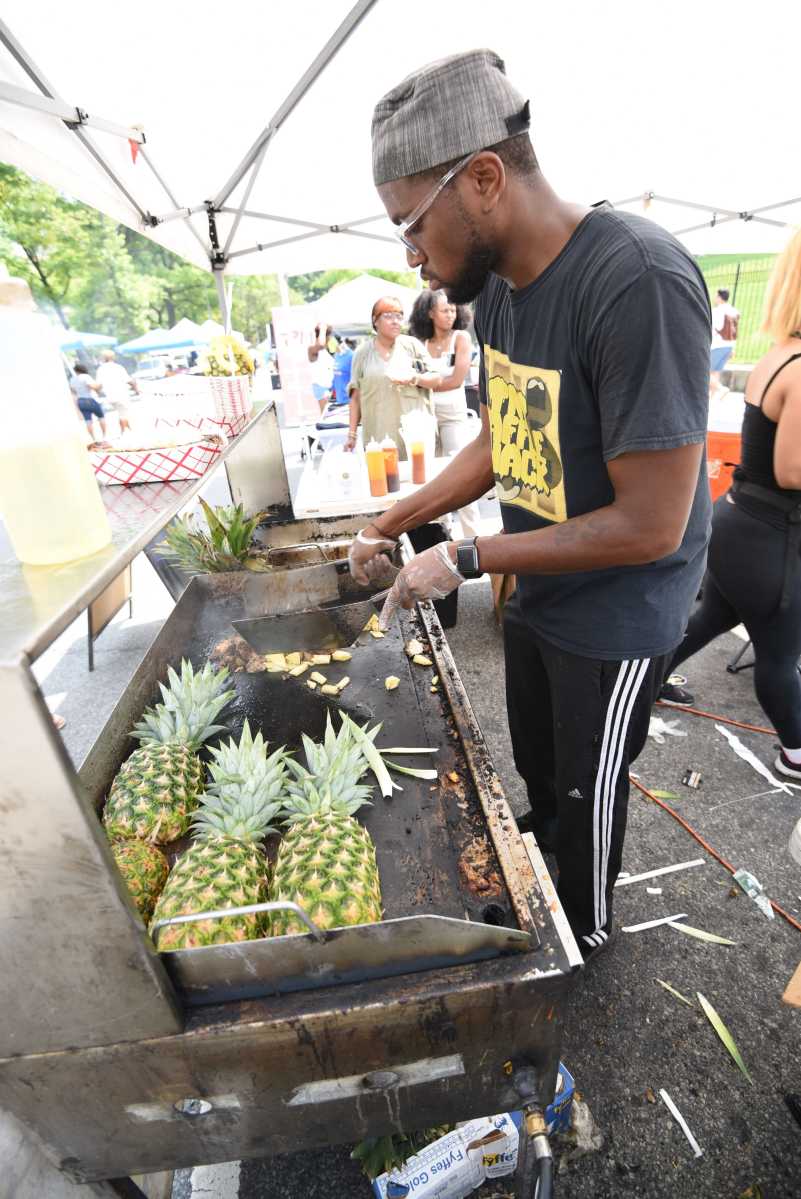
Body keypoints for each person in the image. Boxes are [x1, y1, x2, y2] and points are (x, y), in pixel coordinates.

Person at [349, 50, 711, 959]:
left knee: (587, 795)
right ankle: (542, 863)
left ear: (481, 179)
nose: (411, 259)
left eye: (411, 226)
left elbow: (650, 523)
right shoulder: (501, 293)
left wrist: (468, 557)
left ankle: (577, 941)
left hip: (618, 614)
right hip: (540, 592)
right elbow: (501, 442)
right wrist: (392, 522)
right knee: (540, 773)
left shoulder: (637, 281)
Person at [661, 228, 801, 779]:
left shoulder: (781, 354)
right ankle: (795, 750)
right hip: (770, 535)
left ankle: (642, 685)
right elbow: (792, 470)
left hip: (744, 526)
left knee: (712, 617)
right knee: (780, 655)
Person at [410, 288, 482, 538]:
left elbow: (457, 380)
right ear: (430, 314)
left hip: (453, 414)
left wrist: (421, 380)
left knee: (461, 474)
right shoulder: (422, 343)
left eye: (453, 309)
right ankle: (443, 535)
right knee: (433, 477)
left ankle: (473, 538)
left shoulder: (460, 338)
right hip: (427, 414)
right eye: (445, 310)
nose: (450, 314)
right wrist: (422, 380)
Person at [345, 296, 442, 457]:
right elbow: (355, 398)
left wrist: (414, 378)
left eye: (399, 316)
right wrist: (352, 434)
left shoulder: (412, 346)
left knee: (419, 479)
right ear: (375, 321)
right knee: (382, 479)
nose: (395, 321)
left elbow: (436, 380)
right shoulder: (362, 353)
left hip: (414, 433)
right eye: (388, 316)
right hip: (378, 436)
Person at [96, 349, 138, 433]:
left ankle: (129, 431)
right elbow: (129, 381)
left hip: (110, 396)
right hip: (121, 394)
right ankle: (124, 433)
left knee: (122, 414)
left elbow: (98, 385)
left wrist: (98, 392)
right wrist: (136, 388)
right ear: (113, 357)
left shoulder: (101, 369)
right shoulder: (118, 367)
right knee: (123, 415)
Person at [710, 287, 740, 399]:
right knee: (715, 371)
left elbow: (714, 327)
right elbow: (735, 331)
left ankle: (720, 389)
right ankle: (711, 397)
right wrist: (733, 348)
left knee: (706, 372)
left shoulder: (717, 311)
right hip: (729, 346)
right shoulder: (734, 311)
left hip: (717, 345)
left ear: (719, 297)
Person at [70, 363, 110, 448]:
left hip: (80, 400)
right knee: (101, 417)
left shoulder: (72, 379)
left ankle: (94, 439)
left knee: (88, 421)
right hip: (90, 399)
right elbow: (92, 386)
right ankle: (104, 438)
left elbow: (73, 391)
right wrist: (99, 385)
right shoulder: (85, 376)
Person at [308, 324, 335, 413]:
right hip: (321, 387)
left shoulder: (327, 350)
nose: (330, 338)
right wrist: (323, 329)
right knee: (326, 416)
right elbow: (321, 345)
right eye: (329, 336)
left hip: (331, 387)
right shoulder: (312, 349)